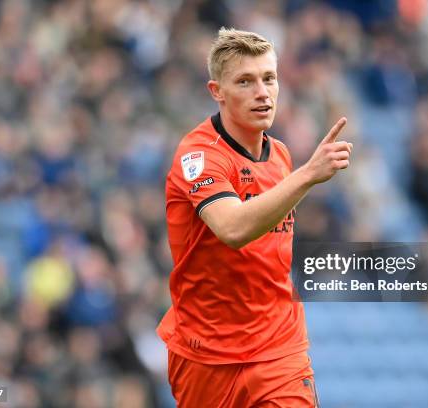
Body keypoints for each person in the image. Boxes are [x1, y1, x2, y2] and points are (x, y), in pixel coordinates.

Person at [157, 27, 352, 407]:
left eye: (269, 79)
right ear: (217, 92)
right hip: (207, 355)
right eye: (245, 81)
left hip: (279, 349)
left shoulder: (280, 155)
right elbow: (232, 228)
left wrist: (303, 175)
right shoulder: (197, 156)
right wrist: (309, 175)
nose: (262, 92)